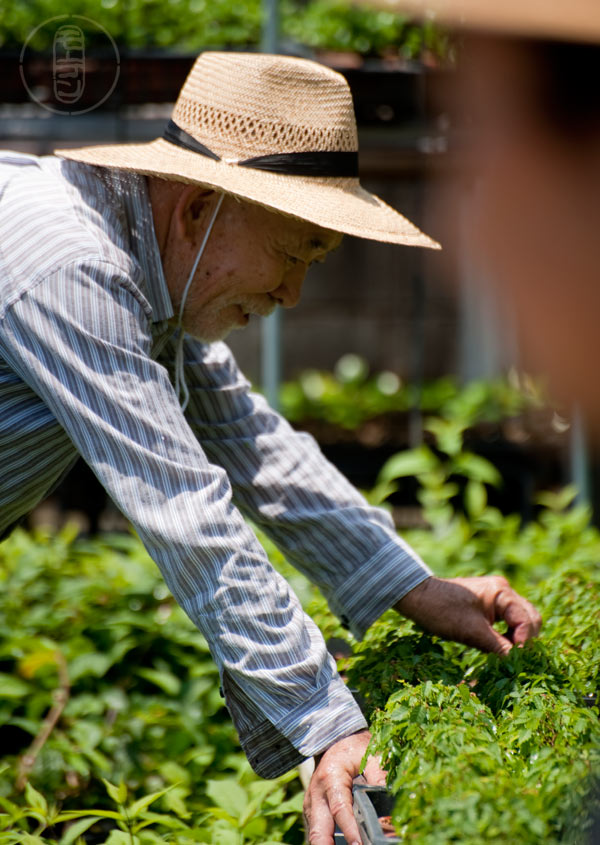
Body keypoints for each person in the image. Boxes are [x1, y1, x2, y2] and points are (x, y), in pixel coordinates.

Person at [0, 51, 541, 845]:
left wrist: (415, 586)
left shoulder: (143, 264)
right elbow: (184, 507)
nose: (292, 296)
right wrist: (326, 721)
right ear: (198, 209)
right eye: (294, 253)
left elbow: (252, 444)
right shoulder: (72, 264)